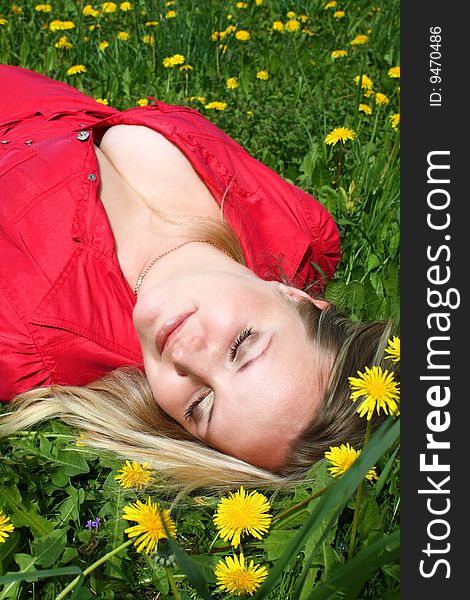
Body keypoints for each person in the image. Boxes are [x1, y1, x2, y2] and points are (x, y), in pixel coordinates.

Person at [0, 65, 397, 489]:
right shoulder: (300, 229)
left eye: (200, 404)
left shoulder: (28, 343)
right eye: (241, 347)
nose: (188, 356)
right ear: (297, 297)